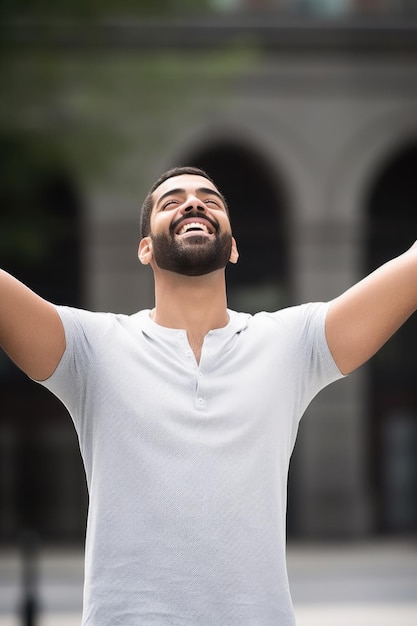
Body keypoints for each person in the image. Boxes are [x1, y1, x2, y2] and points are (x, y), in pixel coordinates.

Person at [1, 165, 416, 625]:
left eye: (209, 200)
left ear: (233, 247)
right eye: (171, 201)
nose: (193, 203)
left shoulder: (292, 343)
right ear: (145, 248)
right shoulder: (90, 348)